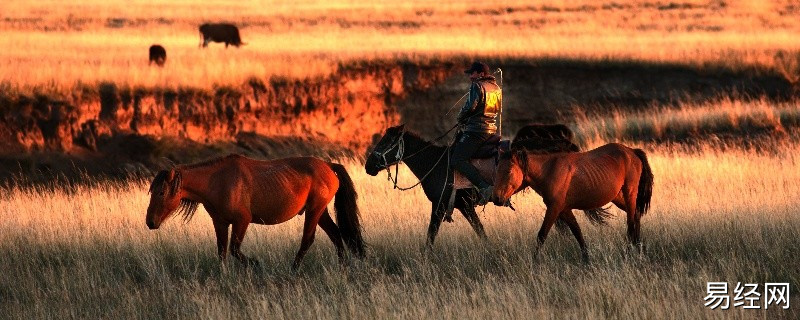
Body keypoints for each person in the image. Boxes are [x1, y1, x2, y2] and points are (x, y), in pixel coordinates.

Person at [451, 61, 502, 205]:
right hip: (491, 130)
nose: (470, 77)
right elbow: (497, 109)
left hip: (476, 131)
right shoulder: (496, 88)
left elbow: (470, 107)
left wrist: (460, 118)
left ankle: (484, 187)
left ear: (481, 74)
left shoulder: (477, 86)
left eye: (472, 73)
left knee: (457, 159)